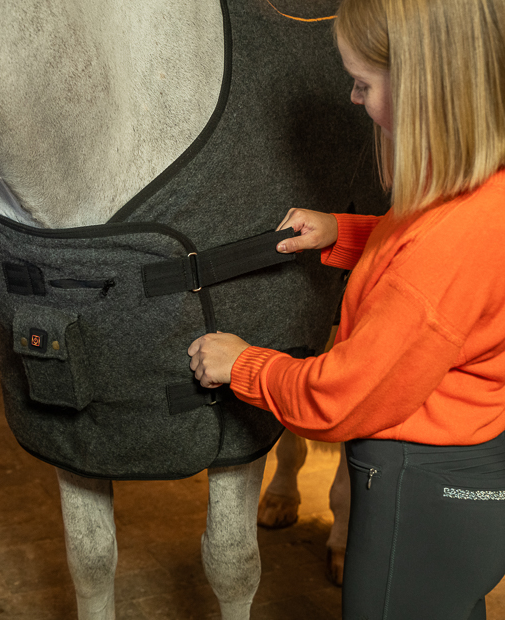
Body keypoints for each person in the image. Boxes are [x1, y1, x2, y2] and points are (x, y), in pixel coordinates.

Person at [188, 0, 505, 618]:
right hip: (464, 464)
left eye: (362, 83)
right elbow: (432, 267)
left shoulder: (445, 245)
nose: (354, 100)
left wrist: (245, 364)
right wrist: (344, 232)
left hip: (419, 484)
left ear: (425, 88)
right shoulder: (480, 194)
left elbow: (343, 395)